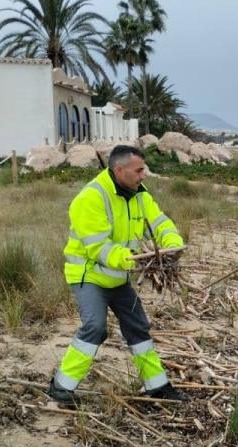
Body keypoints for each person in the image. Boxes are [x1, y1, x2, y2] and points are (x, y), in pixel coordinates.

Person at [47, 145, 187, 407]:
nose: (143, 175)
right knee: (95, 328)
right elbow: (99, 247)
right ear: (119, 170)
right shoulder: (90, 198)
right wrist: (134, 260)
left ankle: (156, 386)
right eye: (139, 170)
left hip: (119, 277)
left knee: (138, 326)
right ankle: (61, 387)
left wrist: (171, 244)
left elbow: (160, 223)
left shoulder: (140, 195)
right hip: (89, 277)